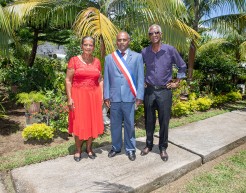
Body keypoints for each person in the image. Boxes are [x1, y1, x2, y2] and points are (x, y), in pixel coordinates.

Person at [141, 24, 187, 161]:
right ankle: (149, 145)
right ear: (149, 36)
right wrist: (140, 81)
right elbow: (136, 67)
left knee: (164, 121)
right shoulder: (145, 52)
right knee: (149, 120)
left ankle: (162, 148)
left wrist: (177, 82)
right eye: (151, 33)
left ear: (161, 34)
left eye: (156, 32)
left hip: (164, 91)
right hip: (149, 91)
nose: (153, 35)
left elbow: (182, 65)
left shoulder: (170, 50)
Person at [103, 31, 144, 161]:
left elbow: (140, 78)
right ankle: (115, 147)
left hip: (130, 97)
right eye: (119, 40)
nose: (122, 42)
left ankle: (130, 149)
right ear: (116, 42)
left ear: (129, 41)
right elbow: (107, 78)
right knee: (115, 125)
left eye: (124, 40)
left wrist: (139, 96)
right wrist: (106, 96)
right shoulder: (109, 58)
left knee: (129, 125)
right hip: (114, 98)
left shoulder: (137, 57)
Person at [65, 36, 104, 162]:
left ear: (93, 47)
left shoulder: (97, 61)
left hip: (93, 96)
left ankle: (89, 148)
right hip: (79, 96)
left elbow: (100, 79)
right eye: (86, 45)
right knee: (79, 123)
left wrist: (102, 96)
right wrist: (69, 98)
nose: (88, 47)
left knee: (92, 122)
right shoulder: (74, 60)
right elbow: (68, 80)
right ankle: (78, 149)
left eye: (91, 45)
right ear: (81, 46)